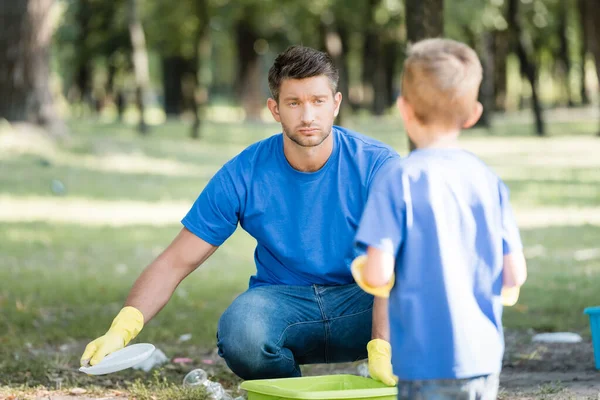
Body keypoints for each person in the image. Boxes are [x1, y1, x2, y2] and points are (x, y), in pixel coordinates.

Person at [80, 45, 401, 385]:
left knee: (426, 287)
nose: (308, 116)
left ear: (336, 103)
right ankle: (287, 391)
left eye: (318, 101)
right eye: (294, 103)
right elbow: (176, 261)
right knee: (242, 332)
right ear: (274, 109)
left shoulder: (378, 166)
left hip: (362, 302)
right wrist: (121, 329)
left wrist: (382, 344)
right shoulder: (243, 173)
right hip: (284, 303)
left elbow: (402, 261)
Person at [351, 38, 528, 399]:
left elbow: (378, 274)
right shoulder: (488, 180)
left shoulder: (397, 179)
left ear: (404, 109)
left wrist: (363, 269)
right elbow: (514, 275)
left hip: (422, 360)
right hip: (483, 359)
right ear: (473, 114)